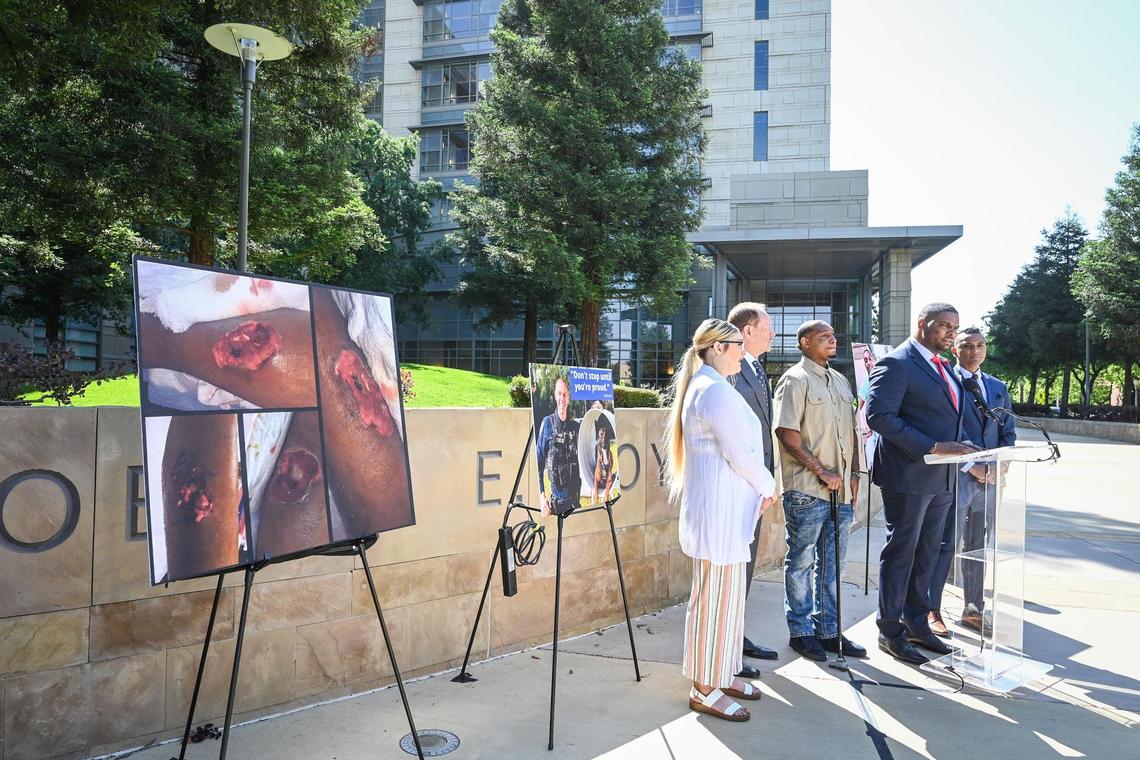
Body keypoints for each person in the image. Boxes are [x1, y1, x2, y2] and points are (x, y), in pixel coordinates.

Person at [663, 318, 776, 722]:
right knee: (714, 604)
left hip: (728, 517)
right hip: (719, 519)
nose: (743, 351)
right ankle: (704, 687)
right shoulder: (711, 391)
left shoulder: (715, 387)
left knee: (728, 604)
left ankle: (723, 671)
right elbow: (741, 454)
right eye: (736, 344)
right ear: (717, 348)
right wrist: (768, 486)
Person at [866, 302, 978, 665]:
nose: (950, 332)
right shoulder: (897, 363)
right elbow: (879, 416)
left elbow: (944, 416)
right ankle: (890, 630)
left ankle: (918, 623)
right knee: (902, 552)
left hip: (943, 476)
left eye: (954, 327)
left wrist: (962, 448)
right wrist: (933, 446)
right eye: (944, 325)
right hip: (908, 475)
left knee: (928, 552)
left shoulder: (944, 366)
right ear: (922, 323)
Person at [772, 321, 867, 661]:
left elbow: (854, 433)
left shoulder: (840, 381)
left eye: (833, 334)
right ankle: (801, 631)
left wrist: (854, 473)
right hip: (807, 490)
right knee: (801, 561)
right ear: (804, 343)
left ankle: (828, 631)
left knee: (832, 564)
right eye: (824, 336)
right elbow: (786, 432)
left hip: (841, 492)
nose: (833, 339)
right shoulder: (795, 380)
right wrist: (822, 470)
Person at [928, 327, 1016, 635]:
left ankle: (974, 608)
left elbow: (1007, 431)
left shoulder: (997, 386)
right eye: (967, 345)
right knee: (944, 544)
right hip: (954, 478)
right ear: (956, 350)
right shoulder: (944, 383)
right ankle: (931, 608)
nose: (974, 351)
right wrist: (970, 466)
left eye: (980, 345)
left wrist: (1000, 465)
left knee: (978, 547)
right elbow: (941, 432)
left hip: (989, 483)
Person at [726, 302, 782, 668]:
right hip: (737, 485)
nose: (774, 335)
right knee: (731, 569)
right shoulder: (727, 369)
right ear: (747, 332)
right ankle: (725, 647)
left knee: (745, 567)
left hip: (756, 487)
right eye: (767, 329)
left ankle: (735, 634)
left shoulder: (756, 367)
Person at [536, 376, 581, 515]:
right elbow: (538, 462)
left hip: (576, 503)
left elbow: (594, 435)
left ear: (569, 397)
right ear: (555, 396)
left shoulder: (576, 427)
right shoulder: (547, 423)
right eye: (559, 394)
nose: (562, 398)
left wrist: (599, 410)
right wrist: (542, 498)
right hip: (556, 505)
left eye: (565, 394)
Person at [592, 415, 616, 505]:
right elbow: (596, 478)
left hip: (607, 464)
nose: (604, 437)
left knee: (609, 477)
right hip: (600, 463)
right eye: (602, 434)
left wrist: (606, 495)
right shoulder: (597, 446)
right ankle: (596, 497)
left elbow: (609, 480)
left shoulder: (609, 452)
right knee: (598, 476)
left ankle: (605, 496)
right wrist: (596, 495)